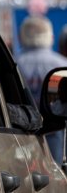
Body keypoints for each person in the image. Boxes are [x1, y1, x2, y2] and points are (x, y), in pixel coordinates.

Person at [16, 15, 67, 163]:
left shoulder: (11, 64)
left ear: (21, 37)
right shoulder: (62, 64)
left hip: (19, 134)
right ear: (51, 37)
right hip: (55, 136)